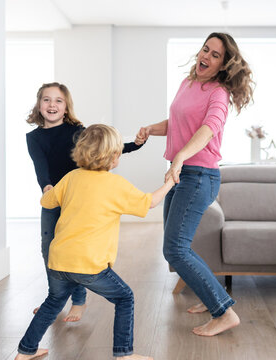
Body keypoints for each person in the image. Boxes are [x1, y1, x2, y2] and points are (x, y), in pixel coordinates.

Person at [15, 124, 172, 360]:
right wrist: (170, 182)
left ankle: (25, 351)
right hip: (89, 265)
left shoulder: (70, 177)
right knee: (124, 297)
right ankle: (124, 354)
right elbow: (149, 202)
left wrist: (49, 187)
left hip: (59, 262)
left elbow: (47, 202)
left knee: (53, 302)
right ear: (114, 157)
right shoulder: (115, 184)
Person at [135, 32, 254, 337]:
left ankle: (223, 312)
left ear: (224, 65)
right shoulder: (188, 84)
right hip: (182, 173)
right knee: (177, 247)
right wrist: (151, 128)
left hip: (199, 176)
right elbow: (177, 123)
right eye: (206, 50)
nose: (207, 56)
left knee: (175, 249)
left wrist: (180, 158)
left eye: (216, 55)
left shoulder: (218, 93)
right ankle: (210, 295)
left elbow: (208, 129)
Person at [26, 82, 144, 322]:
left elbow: (106, 147)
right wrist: (47, 188)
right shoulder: (33, 137)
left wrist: (137, 144)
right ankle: (55, 300)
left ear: (66, 106)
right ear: (39, 105)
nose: (52, 105)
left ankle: (79, 301)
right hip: (54, 196)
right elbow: (41, 168)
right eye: (46, 100)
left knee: (75, 250)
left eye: (58, 100)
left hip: (80, 199)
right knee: (49, 248)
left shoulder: (78, 131)